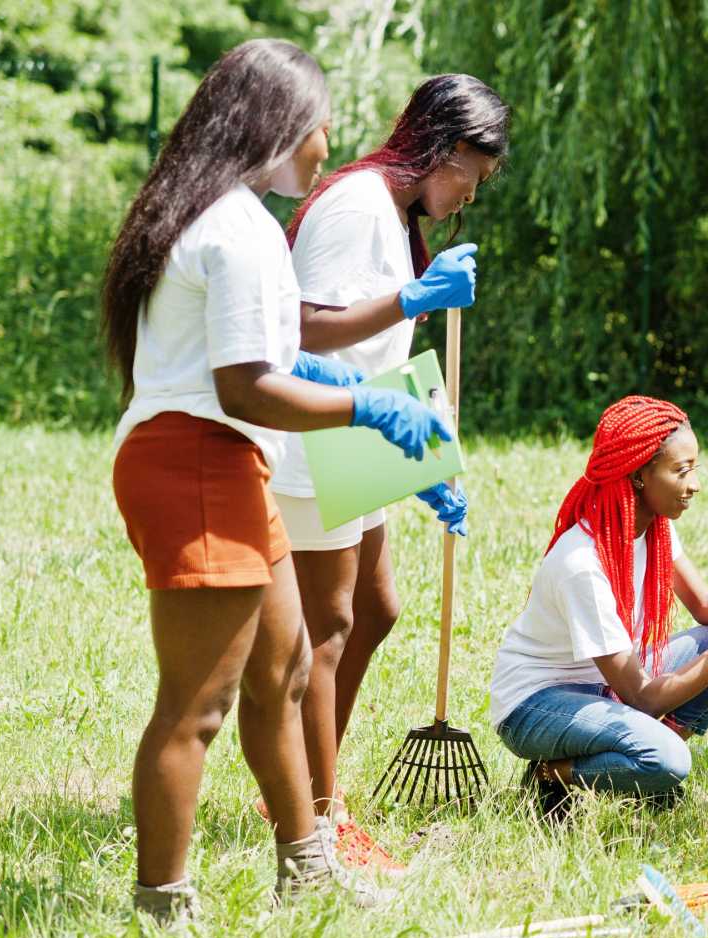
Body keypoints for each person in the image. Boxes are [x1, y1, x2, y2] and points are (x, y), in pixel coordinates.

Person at [103, 39, 452, 923]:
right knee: (197, 707)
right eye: (317, 129)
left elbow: (275, 350)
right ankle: (163, 907)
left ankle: (308, 869)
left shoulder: (215, 213)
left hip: (223, 460)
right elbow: (243, 384)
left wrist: (348, 387)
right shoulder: (234, 225)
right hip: (195, 461)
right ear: (273, 128)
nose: (326, 148)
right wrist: (365, 413)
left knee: (288, 669)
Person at [267, 74, 511, 873]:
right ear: (438, 150)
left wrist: (422, 458)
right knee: (328, 630)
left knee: (377, 607)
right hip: (312, 437)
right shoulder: (353, 205)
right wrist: (414, 298)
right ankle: (320, 823)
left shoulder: (395, 213)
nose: (468, 198)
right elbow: (303, 331)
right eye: (468, 179)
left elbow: (373, 362)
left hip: (357, 426)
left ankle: (299, 782)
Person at [491, 396, 708, 816]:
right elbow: (643, 698)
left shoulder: (654, 529)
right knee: (667, 760)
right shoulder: (582, 563)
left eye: (694, 468)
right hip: (537, 706)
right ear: (637, 477)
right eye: (681, 470)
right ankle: (552, 774)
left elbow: (704, 606)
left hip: (606, 687)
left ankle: (644, 754)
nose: (695, 484)